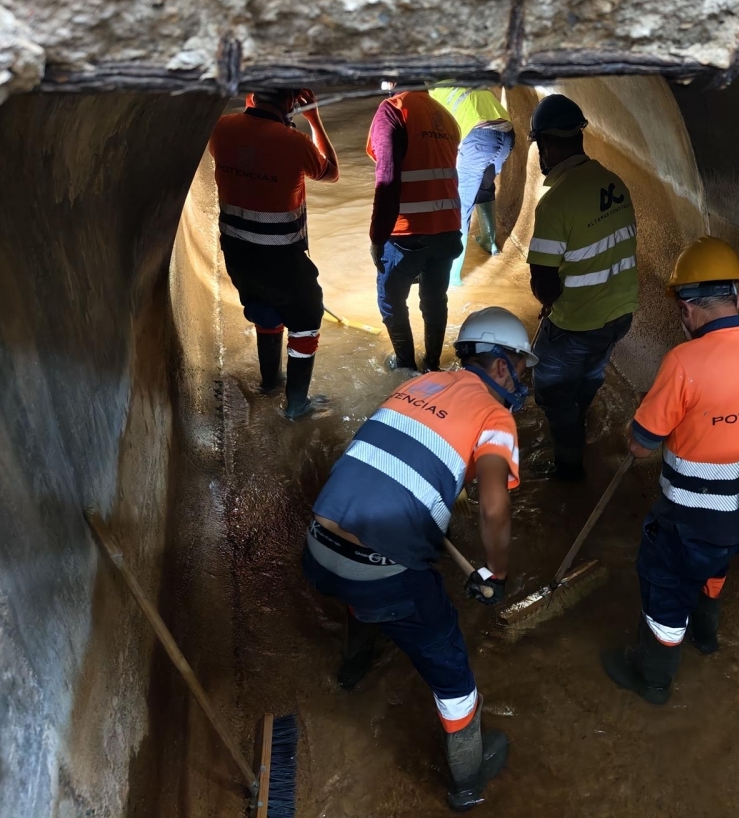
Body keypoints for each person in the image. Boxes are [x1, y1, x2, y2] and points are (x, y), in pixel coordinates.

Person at [302, 307, 536, 810]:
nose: (524, 379)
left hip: (319, 546)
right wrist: (497, 571)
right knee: (450, 664)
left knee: (366, 587)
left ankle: (353, 666)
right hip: (378, 574)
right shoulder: (496, 417)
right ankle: (468, 781)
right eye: (521, 366)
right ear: (500, 366)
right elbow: (494, 507)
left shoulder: (425, 383)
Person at [602, 237, 739, 704]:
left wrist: (642, 425)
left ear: (686, 309)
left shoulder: (684, 363)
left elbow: (640, 444)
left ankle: (652, 678)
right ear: (737, 297)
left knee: (666, 584)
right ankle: (707, 637)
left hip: (691, 519)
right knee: (718, 558)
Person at [525, 94, 639, 480]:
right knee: (591, 372)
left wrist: (551, 302)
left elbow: (543, 284)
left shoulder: (556, 202)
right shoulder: (613, 182)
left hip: (578, 322)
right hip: (621, 314)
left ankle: (569, 468)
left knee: (552, 389)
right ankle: (583, 415)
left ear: (546, 144)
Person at [208, 88, 339, 418]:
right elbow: (331, 172)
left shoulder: (220, 127)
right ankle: (296, 405)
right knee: (307, 318)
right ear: (292, 101)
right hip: (281, 255)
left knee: (264, 308)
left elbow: (246, 148)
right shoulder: (293, 143)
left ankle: (270, 383)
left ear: (254, 95)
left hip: (237, 250)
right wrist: (314, 118)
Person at [367, 86, 463, 372]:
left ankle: (406, 367)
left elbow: (387, 177)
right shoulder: (446, 116)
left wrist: (377, 236)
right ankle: (432, 364)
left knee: (390, 297)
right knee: (435, 298)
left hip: (406, 233)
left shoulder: (393, 109)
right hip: (447, 228)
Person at [428, 83, 516, 286]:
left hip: (479, 137)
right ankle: (489, 241)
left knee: (459, 207)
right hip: (507, 134)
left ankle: (451, 278)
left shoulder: (433, 95)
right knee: (485, 185)